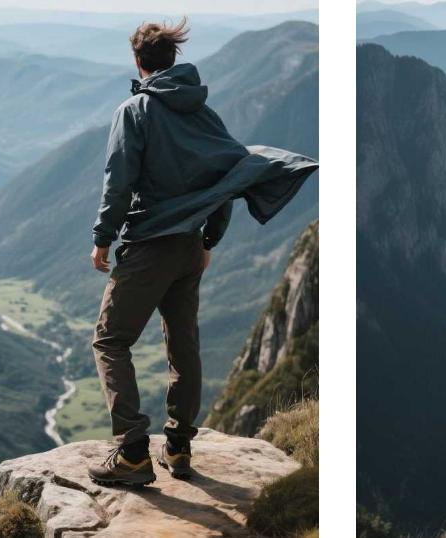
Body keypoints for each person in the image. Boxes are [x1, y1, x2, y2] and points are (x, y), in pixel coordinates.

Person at [86, 19, 317, 487]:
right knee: (183, 344)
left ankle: (132, 452)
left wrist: (103, 237)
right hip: (190, 247)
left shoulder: (135, 111)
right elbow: (228, 176)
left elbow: (119, 180)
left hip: (150, 244)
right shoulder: (203, 113)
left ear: (138, 61)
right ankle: (178, 446)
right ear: (173, 60)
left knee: (110, 341)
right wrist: (209, 239)